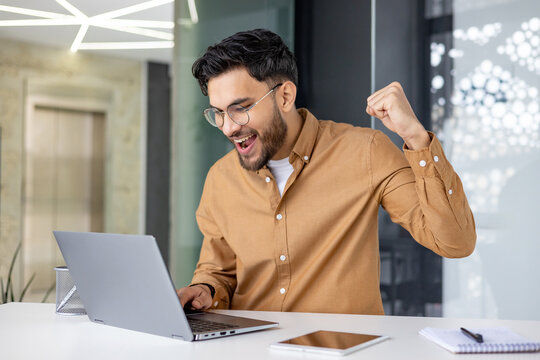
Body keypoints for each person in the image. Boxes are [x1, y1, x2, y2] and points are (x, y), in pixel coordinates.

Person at [176, 28, 476, 315]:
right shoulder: (221, 178)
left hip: (344, 350)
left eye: (239, 109)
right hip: (251, 348)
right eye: (218, 113)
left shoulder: (365, 151)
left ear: (284, 96)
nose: (229, 127)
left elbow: (455, 242)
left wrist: (416, 138)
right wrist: (205, 289)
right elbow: (218, 272)